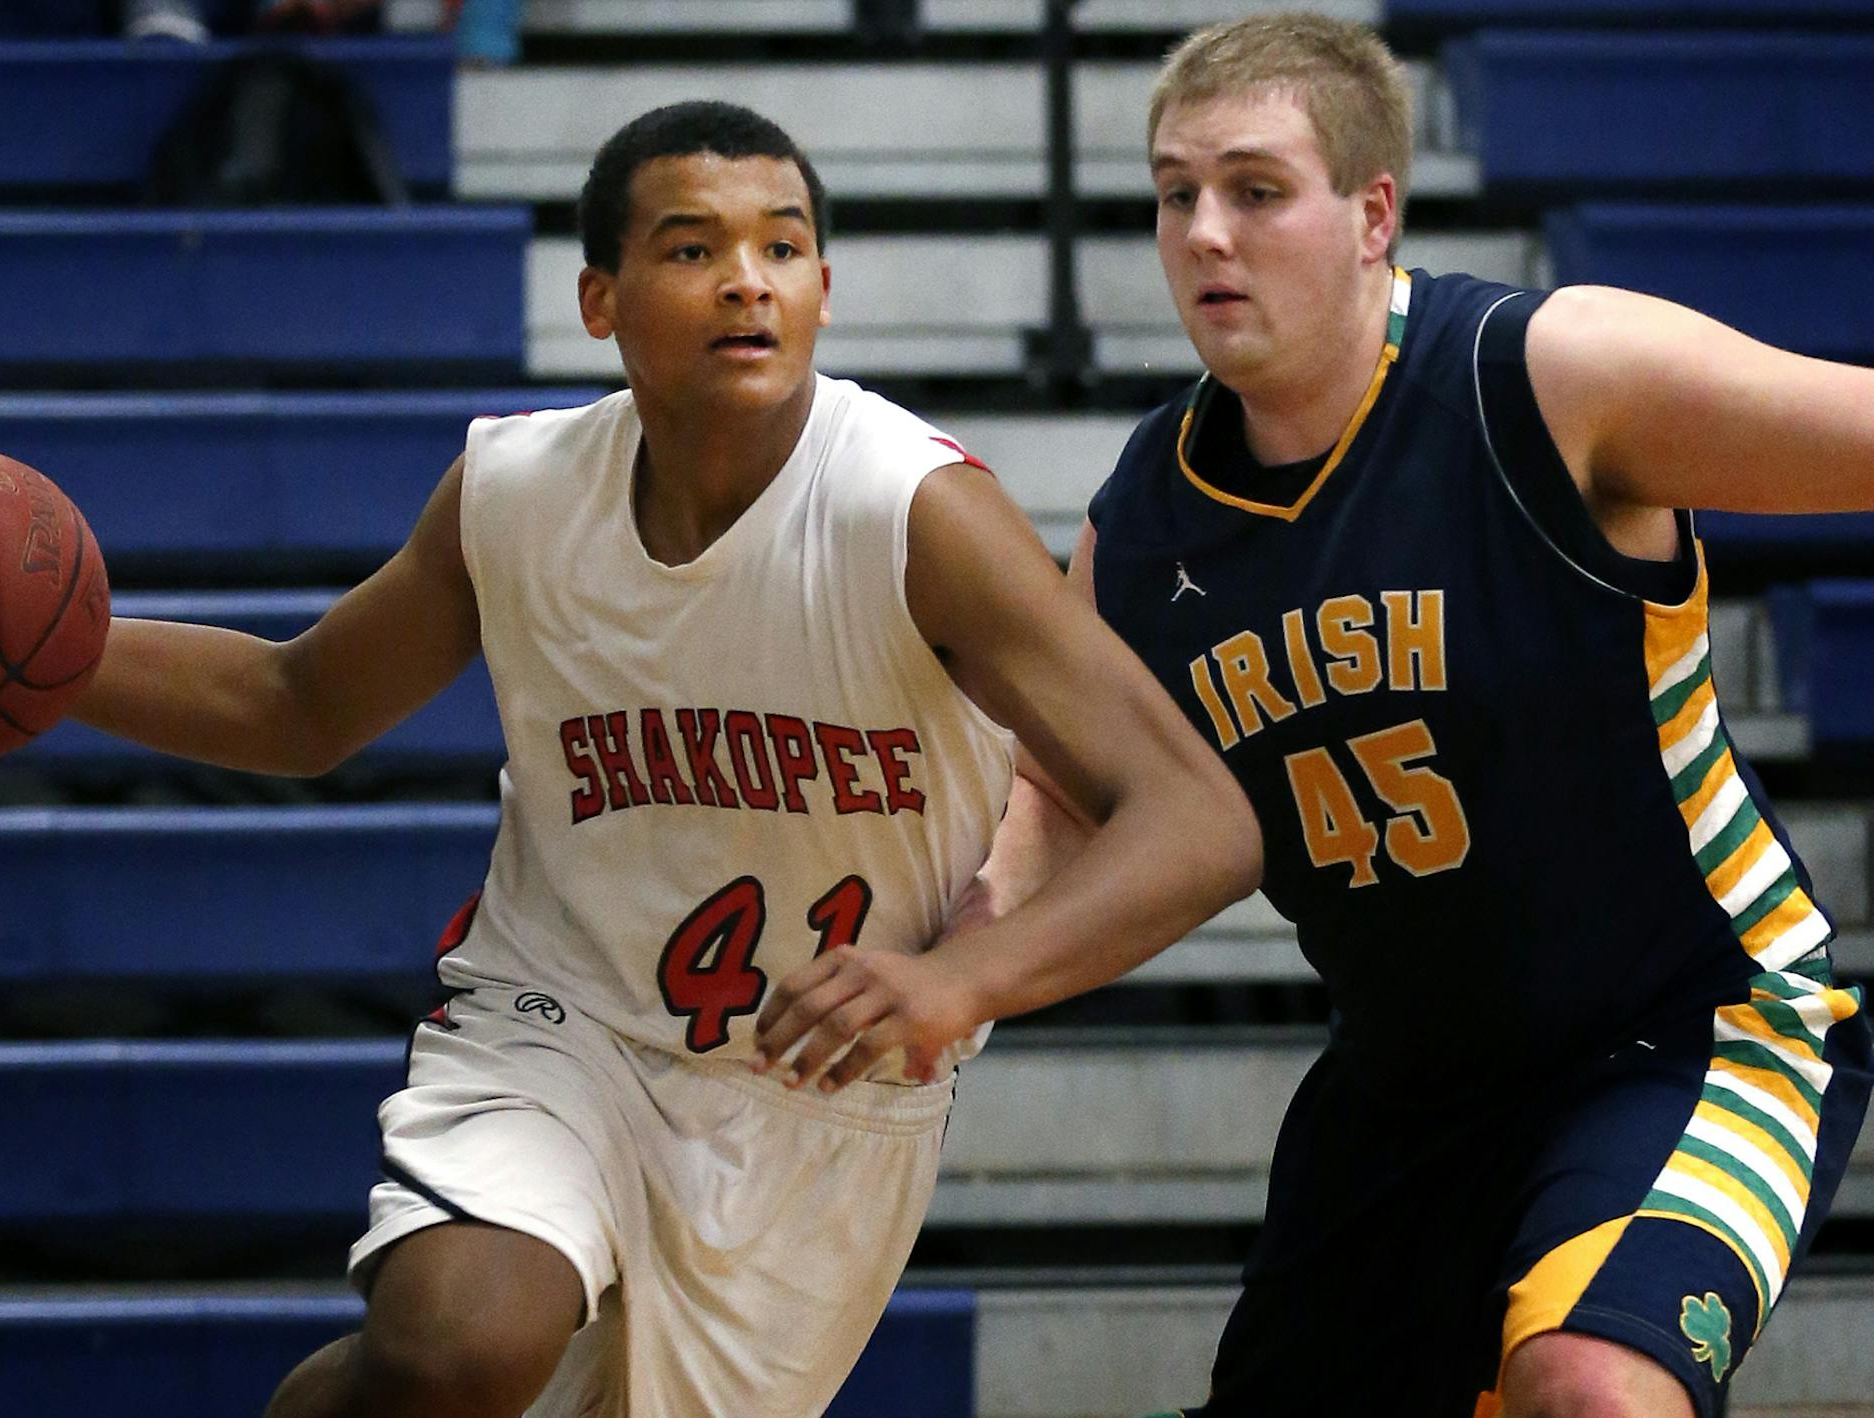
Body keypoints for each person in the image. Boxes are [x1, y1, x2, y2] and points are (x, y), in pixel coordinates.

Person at [0, 101, 1258, 1417]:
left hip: (821, 1099)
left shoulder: (912, 514)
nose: (748, 279)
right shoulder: (516, 492)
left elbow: (1200, 821)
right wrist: (31, 655)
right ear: (599, 299)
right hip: (564, 1024)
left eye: (783, 245)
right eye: (693, 248)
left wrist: (961, 981)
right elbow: (301, 702)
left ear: (824, 287)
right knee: (456, 1343)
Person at [761, 14, 1874, 1417]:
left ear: (1373, 216)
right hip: (1410, 1084)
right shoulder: (1146, 518)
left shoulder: (1548, 378)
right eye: (1176, 194)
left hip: (1692, 1026)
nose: (1205, 235)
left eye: (1255, 190)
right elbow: (1060, 795)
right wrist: (953, 963)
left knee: (1592, 1383)